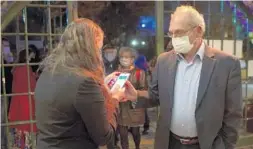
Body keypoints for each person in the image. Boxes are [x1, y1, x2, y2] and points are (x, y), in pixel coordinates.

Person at [125, 5, 242, 149]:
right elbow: (155, 96)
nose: (174, 38)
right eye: (171, 33)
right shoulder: (163, 60)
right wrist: (135, 95)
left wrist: (225, 145)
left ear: (198, 31)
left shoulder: (227, 64)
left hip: (207, 145)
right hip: (170, 143)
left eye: (179, 33)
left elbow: (233, 114)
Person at [34, 18, 133, 149]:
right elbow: (104, 137)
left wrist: (101, 86)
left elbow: (71, 100)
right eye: (98, 49)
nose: (99, 55)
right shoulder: (85, 82)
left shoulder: (48, 72)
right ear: (89, 49)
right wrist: (114, 98)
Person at [117, 47, 147, 149]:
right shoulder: (117, 73)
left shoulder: (139, 72)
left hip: (134, 107)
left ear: (132, 59)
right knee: (123, 134)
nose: (123, 59)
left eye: (126, 57)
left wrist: (133, 95)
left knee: (135, 132)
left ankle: (137, 146)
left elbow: (144, 90)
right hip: (121, 107)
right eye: (121, 57)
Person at [8, 49, 37, 149]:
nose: (31, 58)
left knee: (18, 130)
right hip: (26, 103)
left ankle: (19, 146)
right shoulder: (26, 68)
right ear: (26, 56)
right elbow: (32, 86)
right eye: (30, 56)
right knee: (27, 128)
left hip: (17, 103)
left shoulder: (16, 69)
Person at [1, 38, 13, 148]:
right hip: (2, 95)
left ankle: (4, 144)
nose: (6, 49)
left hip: (7, 95)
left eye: (7, 46)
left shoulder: (6, 62)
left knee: (4, 122)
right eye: (4, 46)